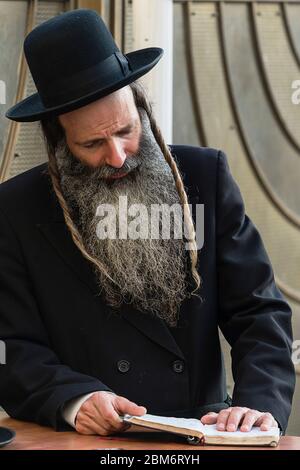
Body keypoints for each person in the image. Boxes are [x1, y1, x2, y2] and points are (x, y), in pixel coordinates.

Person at [0, 9, 295, 437]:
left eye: (125, 130)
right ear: (58, 141)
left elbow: (259, 313)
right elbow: (12, 348)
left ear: (142, 109)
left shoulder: (204, 179)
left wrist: (256, 405)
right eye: (93, 143)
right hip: (82, 442)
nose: (118, 156)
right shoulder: (15, 210)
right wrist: (73, 399)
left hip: (202, 432)